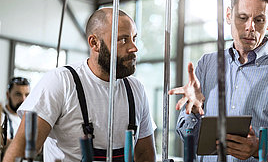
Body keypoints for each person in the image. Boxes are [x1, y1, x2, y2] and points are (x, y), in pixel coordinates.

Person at [169, 0, 268, 161]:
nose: (250, 27)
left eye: (259, 20)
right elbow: (186, 136)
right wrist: (194, 112)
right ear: (229, 15)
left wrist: (260, 148)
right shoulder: (207, 65)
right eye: (243, 18)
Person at [4, 8, 157, 162]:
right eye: (123, 39)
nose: (134, 48)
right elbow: (19, 153)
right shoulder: (61, 82)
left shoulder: (136, 89)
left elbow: (145, 156)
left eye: (134, 38)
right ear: (94, 43)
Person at [1, 77, 30, 157]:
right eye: (18, 94)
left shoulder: (29, 118)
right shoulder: (1, 115)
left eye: (27, 95)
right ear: (8, 95)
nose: (23, 100)